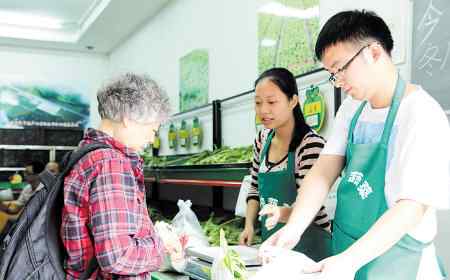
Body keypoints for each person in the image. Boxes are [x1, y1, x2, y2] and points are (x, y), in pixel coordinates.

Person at [261, 10, 450, 280]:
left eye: (340, 69)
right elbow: (323, 172)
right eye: (332, 74)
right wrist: (294, 227)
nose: (338, 82)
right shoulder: (351, 110)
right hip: (347, 254)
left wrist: (350, 260)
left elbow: (410, 207)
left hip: (398, 263)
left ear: (373, 53)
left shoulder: (421, 114)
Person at [61, 73, 170, 279]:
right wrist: (161, 245)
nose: (152, 138)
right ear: (130, 119)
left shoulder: (86, 153)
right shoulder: (111, 163)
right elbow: (117, 256)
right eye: (153, 129)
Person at [239, 67, 332, 262]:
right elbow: (254, 187)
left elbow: (310, 204)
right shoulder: (262, 139)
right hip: (274, 244)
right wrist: (249, 225)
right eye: (258, 103)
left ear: (293, 101)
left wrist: (281, 213)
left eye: (272, 102)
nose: (263, 110)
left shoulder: (310, 145)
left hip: (310, 246)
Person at [0, 160, 45, 232]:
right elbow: (17, 207)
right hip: (26, 219)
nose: (24, 175)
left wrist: (11, 217)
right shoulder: (27, 188)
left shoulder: (43, 191)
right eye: (24, 172)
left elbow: (35, 215)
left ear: (37, 175)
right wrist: (4, 207)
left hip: (38, 222)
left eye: (28, 173)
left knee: (9, 221)